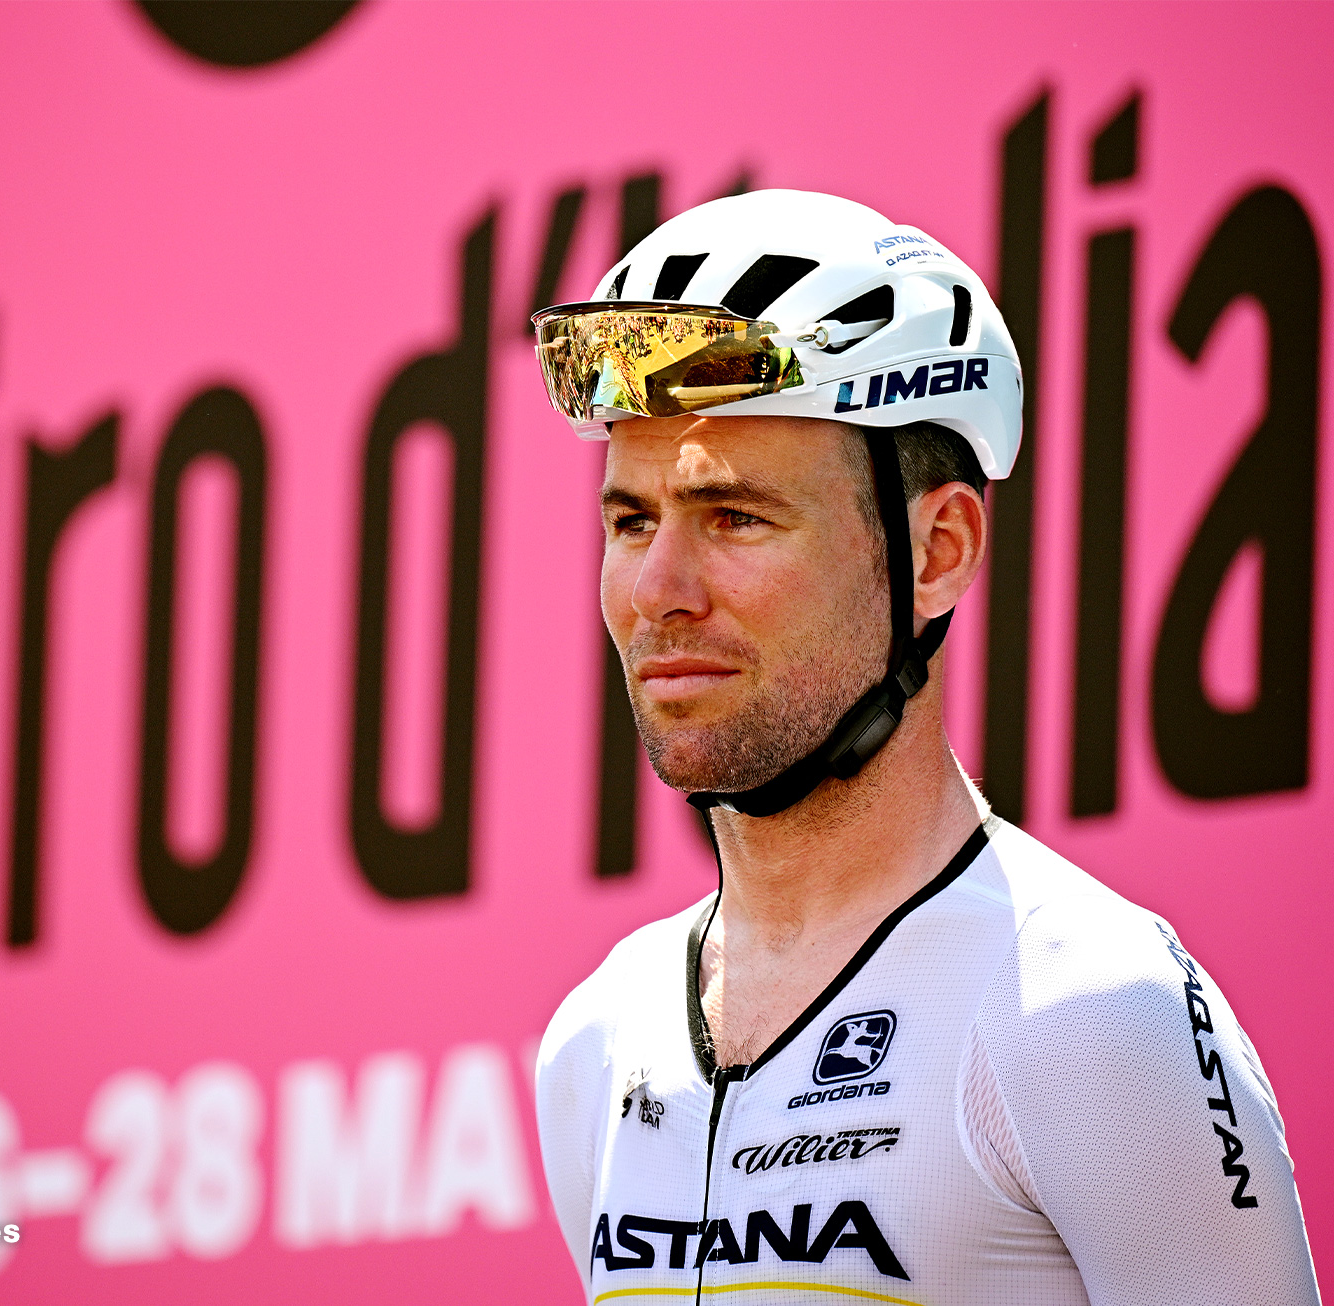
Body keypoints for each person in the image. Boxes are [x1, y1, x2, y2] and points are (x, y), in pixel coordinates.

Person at [530, 189, 1319, 1304]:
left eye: (736, 517)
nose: (656, 591)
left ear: (938, 550)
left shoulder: (1086, 1003)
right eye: (630, 521)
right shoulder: (598, 1043)